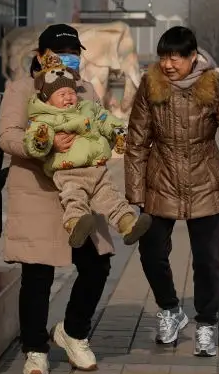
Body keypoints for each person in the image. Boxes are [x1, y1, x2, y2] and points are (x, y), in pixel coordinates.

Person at [125, 26, 219, 358]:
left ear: (193, 56)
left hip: (205, 183)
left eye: (175, 58)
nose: (168, 64)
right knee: (151, 251)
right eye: (163, 57)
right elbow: (136, 142)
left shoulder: (214, 86)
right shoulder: (150, 86)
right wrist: (135, 192)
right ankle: (170, 309)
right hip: (161, 181)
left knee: (207, 260)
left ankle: (207, 322)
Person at [0, 24, 116, 374]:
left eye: (74, 53)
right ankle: (35, 349)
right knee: (38, 273)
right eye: (61, 53)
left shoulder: (86, 90)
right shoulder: (21, 89)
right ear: (41, 56)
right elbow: (7, 136)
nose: (69, 59)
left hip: (80, 191)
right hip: (37, 191)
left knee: (97, 265)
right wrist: (45, 143)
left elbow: (98, 128)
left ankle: (73, 332)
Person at [23, 51, 152, 247]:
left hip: (96, 169)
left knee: (111, 198)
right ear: (48, 99)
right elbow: (34, 141)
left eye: (71, 93)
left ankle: (128, 225)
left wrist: (118, 132)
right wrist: (43, 140)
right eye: (62, 95)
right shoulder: (44, 118)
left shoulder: (88, 108)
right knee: (74, 198)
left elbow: (106, 119)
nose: (69, 98)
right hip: (68, 171)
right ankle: (76, 225)